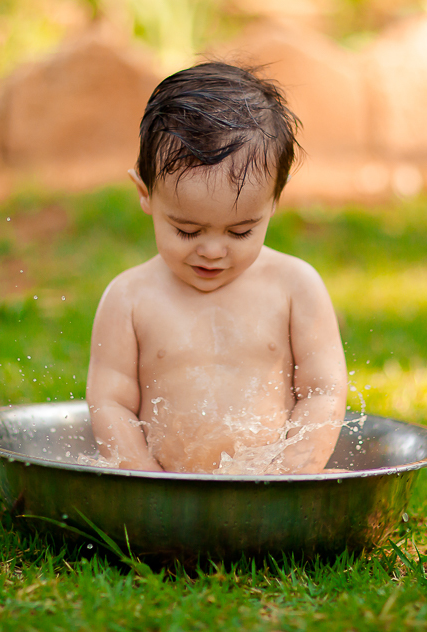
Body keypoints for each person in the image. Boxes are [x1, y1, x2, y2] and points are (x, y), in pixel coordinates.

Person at [85, 62, 348, 474]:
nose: (212, 251)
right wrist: (147, 482)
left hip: (269, 482)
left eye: (240, 231)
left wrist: (292, 474)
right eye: (187, 230)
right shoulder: (130, 297)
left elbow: (323, 391)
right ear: (145, 195)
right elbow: (109, 402)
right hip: (165, 483)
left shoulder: (295, 287)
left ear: (274, 201)